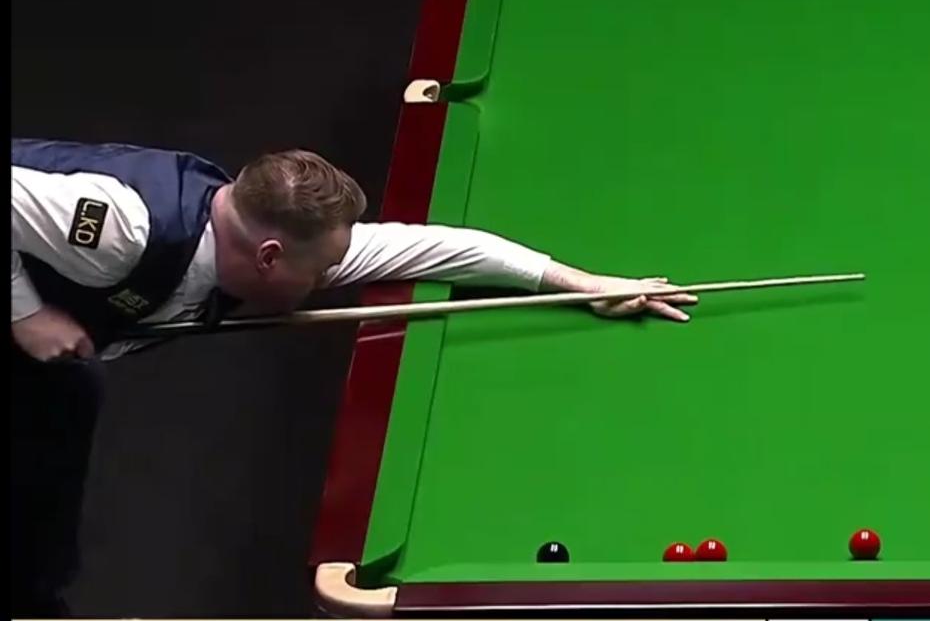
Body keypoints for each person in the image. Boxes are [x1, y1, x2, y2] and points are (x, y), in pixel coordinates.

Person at [10, 138, 697, 616]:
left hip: (48, 351)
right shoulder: (119, 230)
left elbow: (440, 248)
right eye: (321, 271)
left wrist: (581, 283)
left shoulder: (253, 235)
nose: (329, 278)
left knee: (63, 410)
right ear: (271, 256)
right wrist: (29, 316)